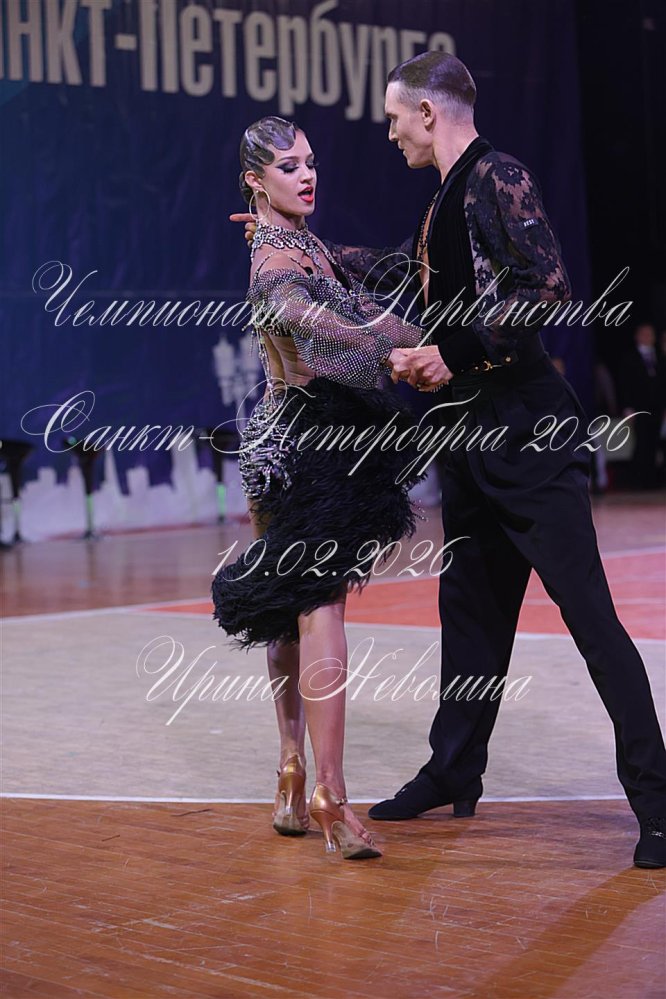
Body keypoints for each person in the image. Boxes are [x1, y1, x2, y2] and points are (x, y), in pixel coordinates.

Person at [358, 51, 665, 869]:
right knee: (470, 613)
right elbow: (400, 276)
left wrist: (450, 353)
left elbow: (549, 288)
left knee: (590, 618)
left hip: (528, 433)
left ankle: (659, 800)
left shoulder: (499, 178)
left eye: (395, 117)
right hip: (470, 433)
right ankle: (454, 769)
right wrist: (299, 249)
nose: (390, 132)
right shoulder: (442, 201)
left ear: (429, 112)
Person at [212, 116, 430, 861]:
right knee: (321, 609)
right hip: (308, 448)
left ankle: (290, 771)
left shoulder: (298, 243)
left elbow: (351, 274)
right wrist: (408, 344)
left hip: (276, 442)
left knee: (286, 611)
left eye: (309, 162)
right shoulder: (278, 261)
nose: (306, 175)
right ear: (255, 180)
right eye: (288, 167)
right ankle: (330, 796)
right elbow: (325, 331)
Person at [618, 322, 665, 489]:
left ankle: (652, 480)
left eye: (650, 334)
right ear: (637, 337)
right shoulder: (629, 358)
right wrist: (628, 408)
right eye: (644, 334)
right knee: (641, 442)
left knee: (654, 442)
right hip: (638, 408)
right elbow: (625, 385)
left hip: (656, 408)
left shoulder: (660, 357)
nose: (648, 337)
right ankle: (638, 480)